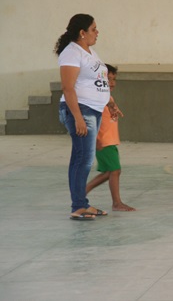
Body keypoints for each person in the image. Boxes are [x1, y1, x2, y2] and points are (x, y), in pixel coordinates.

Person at [55, 14, 111, 220]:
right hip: (80, 109)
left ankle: (82, 203)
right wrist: (78, 117)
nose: (97, 32)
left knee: (81, 157)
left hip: (93, 109)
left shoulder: (89, 51)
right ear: (82, 32)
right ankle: (78, 206)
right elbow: (68, 88)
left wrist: (110, 103)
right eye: (94, 29)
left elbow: (98, 79)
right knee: (83, 159)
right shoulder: (71, 53)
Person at [85, 64, 135, 211]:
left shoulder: (107, 97)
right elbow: (91, 121)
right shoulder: (98, 99)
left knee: (110, 172)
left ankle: (82, 192)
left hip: (110, 141)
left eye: (114, 79)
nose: (112, 82)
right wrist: (95, 140)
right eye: (108, 79)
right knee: (114, 171)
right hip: (103, 141)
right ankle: (116, 203)